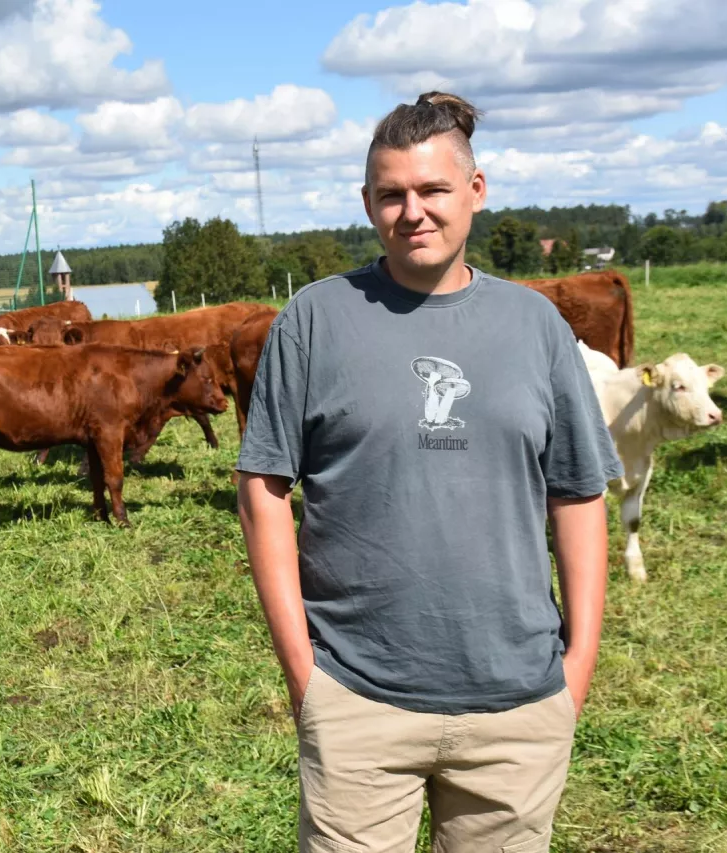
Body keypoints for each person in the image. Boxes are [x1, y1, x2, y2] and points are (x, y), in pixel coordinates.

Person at [236, 92, 622, 853]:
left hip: (517, 703)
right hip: (357, 697)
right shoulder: (313, 319)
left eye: (432, 190)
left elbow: (578, 490)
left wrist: (577, 667)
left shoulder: (536, 325)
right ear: (368, 202)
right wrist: (304, 673)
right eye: (391, 194)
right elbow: (263, 490)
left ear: (474, 191)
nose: (412, 212)